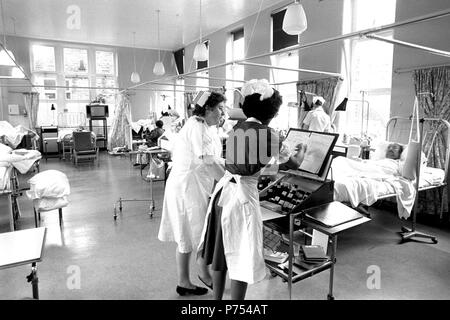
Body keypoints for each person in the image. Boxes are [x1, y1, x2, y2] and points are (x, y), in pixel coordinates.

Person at [197, 79, 307, 300]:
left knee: (222, 250)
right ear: (273, 113)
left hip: (222, 194)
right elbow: (277, 167)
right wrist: (297, 157)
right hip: (242, 199)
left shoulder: (237, 129)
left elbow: (249, 166)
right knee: (242, 255)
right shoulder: (270, 136)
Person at [158, 91, 226, 296]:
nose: (223, 113)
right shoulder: (197, 126)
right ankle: (201, 273)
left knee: (188, 234)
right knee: (193, 232)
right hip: (187, 187)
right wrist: (229, 183)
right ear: (208, 109)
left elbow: (215, 158)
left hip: (195, 184)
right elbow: (207, 160)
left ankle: (184, 281)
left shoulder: (207, 126)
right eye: (220, 109)